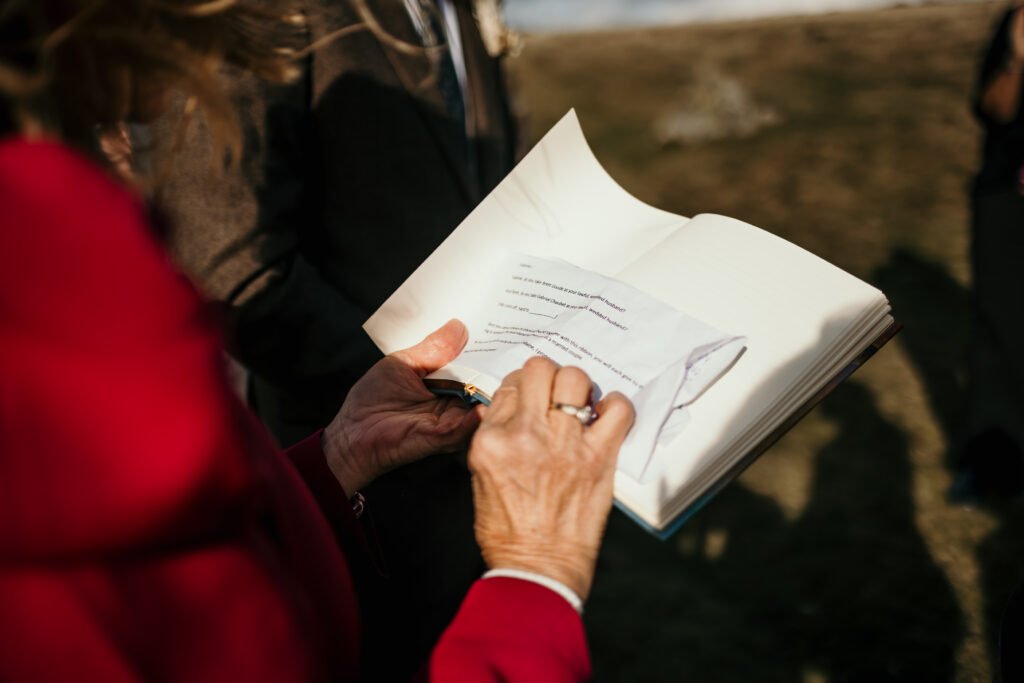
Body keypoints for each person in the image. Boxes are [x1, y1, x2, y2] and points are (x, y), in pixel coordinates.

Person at [0, 1, 634, 680]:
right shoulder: (78, 341)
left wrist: (331, 463)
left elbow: (193, 593)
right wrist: (536, 576)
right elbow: (230, 264)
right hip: (390, 507)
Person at [146, 3, 519, 669]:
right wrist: (421, 386)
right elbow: (231, 267)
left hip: (489, 460)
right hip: (348, 475)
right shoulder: (260, 10)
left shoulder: (460, 10)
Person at [956, 1, 1024, 500]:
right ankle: (995, 463)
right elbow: (992, 108)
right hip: (1004, 194)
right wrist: (1019, 59)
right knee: (997, 323)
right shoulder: (1015, 20)